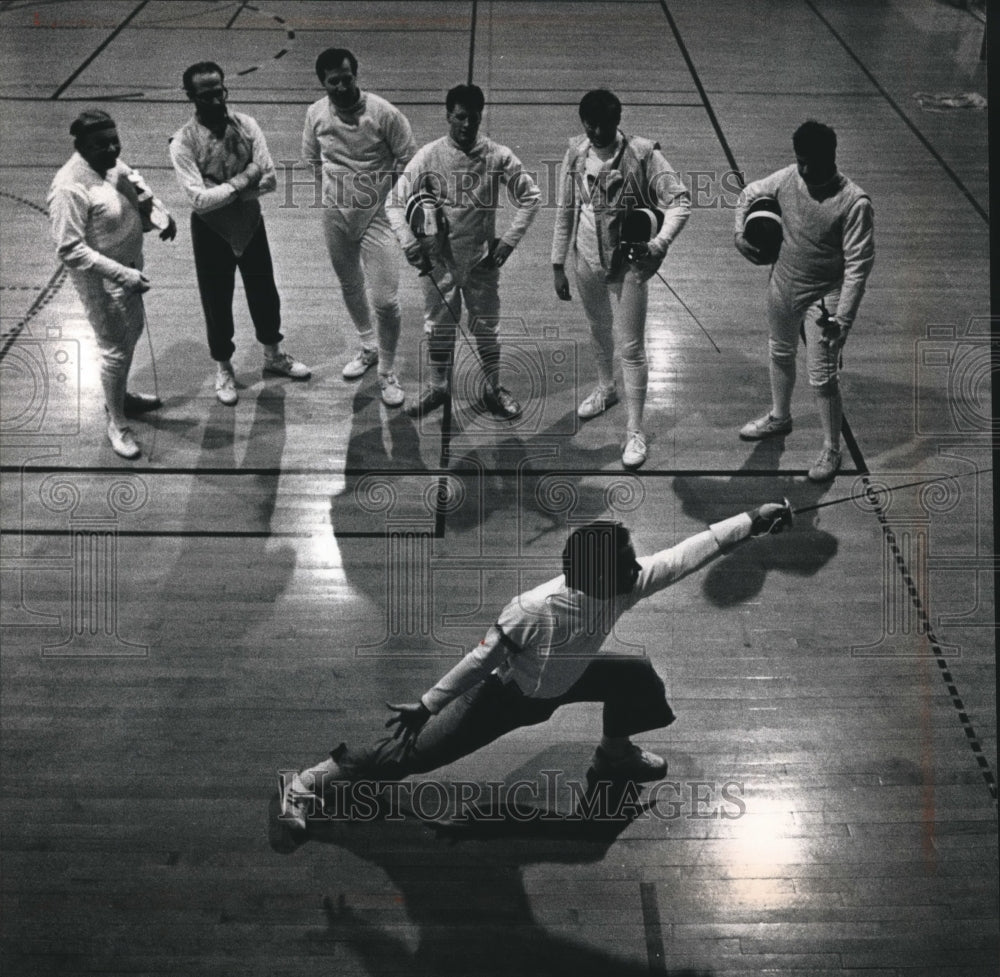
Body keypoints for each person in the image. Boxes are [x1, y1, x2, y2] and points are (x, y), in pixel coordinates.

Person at [278, 499, 794, 832]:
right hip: (511, 698)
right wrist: (428, 704)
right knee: (412, 760)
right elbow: (482, 660)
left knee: (637, 679)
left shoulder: (624, 581)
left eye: (633, 558)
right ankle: (304, 784)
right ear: (593, 578)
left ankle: (614, 755)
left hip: (570, 679)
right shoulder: (533, 609)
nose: (639, 568)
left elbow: (690, 552)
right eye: (627, 563)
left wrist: (753, 520)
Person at [551, 89, 691, 470]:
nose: (597, 131)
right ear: (582, 122)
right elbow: (566, 210)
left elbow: (680, 201)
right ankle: (606, 390)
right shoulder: (575, 153)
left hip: (629, 267)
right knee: (598, 330)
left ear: (618, 120)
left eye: (605, 124)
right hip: (585, 261)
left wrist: (659, 245)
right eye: (590, 124)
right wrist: (557, 263)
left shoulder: (644, 154)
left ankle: (635, 430)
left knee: (631, 348)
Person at [386, 83, 541, 420]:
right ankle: (439, 387)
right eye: (459, 118)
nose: (467, 125)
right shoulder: (429, 155)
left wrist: (510, 240)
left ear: (480, 116)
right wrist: (409, 243)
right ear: (448, 116)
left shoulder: (498, 155)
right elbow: (394, 202)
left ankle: (493, 388)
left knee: (486, 328)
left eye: (473, 118)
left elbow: (531, 197)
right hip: (438, 262)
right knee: (438, 328)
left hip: (481, 261)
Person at [734, 120, 875, 482]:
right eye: (801, 161)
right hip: (783, 283)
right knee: (779, 351)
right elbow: (749, 193)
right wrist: (740, 236)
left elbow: (858, 266)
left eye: (814, 162)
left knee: (823, 378)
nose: (807, 170)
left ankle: (831, 449)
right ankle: (780, 417)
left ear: (832, 156)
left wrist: (843, 320)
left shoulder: (854, 202)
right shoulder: (787, 178)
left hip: (824, 298)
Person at [169, 61, 310, 406]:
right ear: (191, 97)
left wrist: (226, 192)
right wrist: (245, 179)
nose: (217, 100)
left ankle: (273, 354)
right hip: (210, 231)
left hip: (250, 224)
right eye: (207, 95)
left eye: (220, 91)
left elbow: (271, 179)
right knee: (217, 301)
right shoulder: (183, 142)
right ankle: (224, 367)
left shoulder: (247, 125)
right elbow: (200, 201)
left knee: (264, 291)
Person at [48, 109, 177, 459]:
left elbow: (138, 189)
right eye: (101, 144)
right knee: (114, 350)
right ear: (81, 146)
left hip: (131, 273)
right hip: (103, 284)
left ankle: (120, 397)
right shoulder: (69, 186)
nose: (112, 148)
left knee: (129, 336)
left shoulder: (112, 165)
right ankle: (117, 422)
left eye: (114, 140)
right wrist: (122, 274)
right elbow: (70, 249)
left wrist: (160, 216)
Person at [303, 48, 417, 406]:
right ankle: (368, 346)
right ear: (323, 82)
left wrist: (389, 201)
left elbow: (409, 160)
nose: (341, 86)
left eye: (347, 78)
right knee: (350, 284)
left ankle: (386, 370)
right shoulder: (315, 114)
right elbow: (311, 159)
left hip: (378, 217)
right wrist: (335, 193)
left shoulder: (383, 113)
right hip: (336, 214)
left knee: (385, 300)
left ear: (356, 75)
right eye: (332, 81)